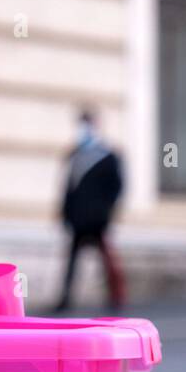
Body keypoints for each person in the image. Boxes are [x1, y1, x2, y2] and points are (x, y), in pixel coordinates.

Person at [56, 108, 127, 314]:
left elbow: (116, 187)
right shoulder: (74, 154)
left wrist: (105, 213)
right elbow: (68, 188)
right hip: (78, 219)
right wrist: (65, 214)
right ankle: (66, 298)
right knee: (72, 260)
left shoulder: (107, 155)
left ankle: (116, 297)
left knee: (107, 260)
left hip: (97, 220)